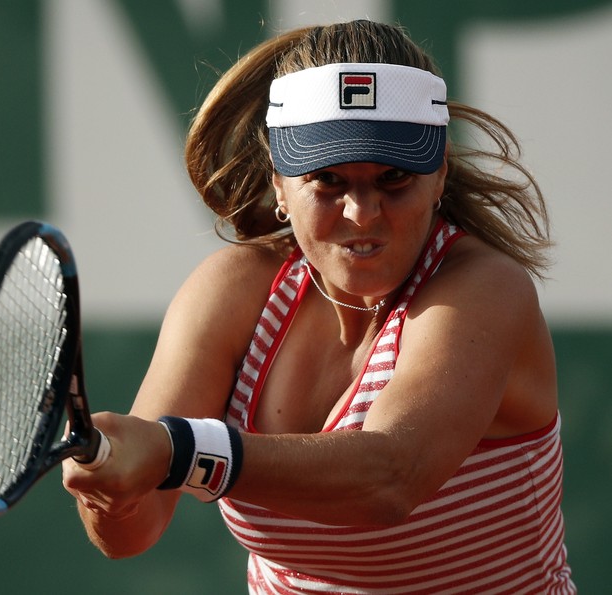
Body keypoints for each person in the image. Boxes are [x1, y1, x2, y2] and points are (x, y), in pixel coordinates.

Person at [62, 19, 575, 593]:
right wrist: (110, 488)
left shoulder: (487, 289)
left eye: (394, 177)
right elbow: (133, 532)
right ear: (279, 185)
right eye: (327, 179)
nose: (361, 211)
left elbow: (390, 478)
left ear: (440, 175)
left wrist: (176, 451)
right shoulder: (233, 293)